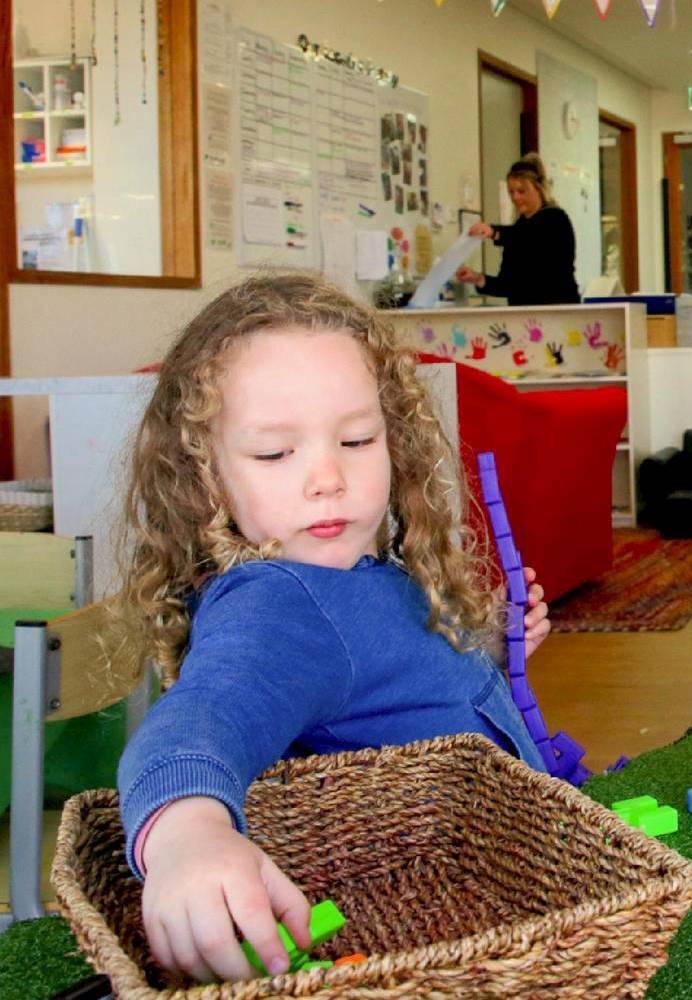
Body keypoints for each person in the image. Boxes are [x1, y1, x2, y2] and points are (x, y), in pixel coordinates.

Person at [111, 274, 554, 982]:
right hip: (436, 938)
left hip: (487, 884)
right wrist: (187, 835)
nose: (326, 477)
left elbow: (384, 680)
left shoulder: (359, 569)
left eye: (355, 439)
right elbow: (203, 716)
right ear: (206, 478)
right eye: (274, 454)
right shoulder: (278, 600)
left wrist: (493, 653)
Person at [456, 154, 580, 305]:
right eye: (511, 192)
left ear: (538, 189)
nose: (515, 197)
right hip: (524, 315)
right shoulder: (519, 228)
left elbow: (529, 238)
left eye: (522, 191)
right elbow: (507, 284)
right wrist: (477, 278)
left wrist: (493, 231)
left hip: (556, 310)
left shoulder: (556, 220)